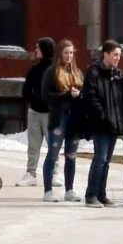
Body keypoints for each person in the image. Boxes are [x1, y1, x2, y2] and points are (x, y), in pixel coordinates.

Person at [80, 41, 123, 207]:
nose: (118, 58)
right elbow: (90, 97)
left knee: (106, 161)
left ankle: (101, 194)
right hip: (100, 124)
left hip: (114, 124)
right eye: (115, 54)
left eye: (119, 55)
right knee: (99, 158)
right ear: (105, 54)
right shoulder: (93, 72)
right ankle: (91, 195)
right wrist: (103, 115)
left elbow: (121, 98)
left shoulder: (118, 74)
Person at [44, 39, 85, 201]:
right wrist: (66, 94)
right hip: (58, 117)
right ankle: (48, 191)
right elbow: (46, 96)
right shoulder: (52, 72)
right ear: (60, 54)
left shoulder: (78, 72)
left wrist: (79, 95)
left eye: (71, 53)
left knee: (71, 155)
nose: (69, 56)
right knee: (53, 154)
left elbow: (84, 93)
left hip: (74, 118)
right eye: (66, 52)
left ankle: (69, 190)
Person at [19, 39, 56, 184]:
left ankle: (54, 173)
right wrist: (33, 100)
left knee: (53, 144)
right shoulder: (34, 69)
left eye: (38, 48)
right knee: (33, 145)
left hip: (50, 113)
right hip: (34, 111)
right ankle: (31, 174)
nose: (35, 51)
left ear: (45, 49)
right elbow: (26, 90)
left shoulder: (55, 69)